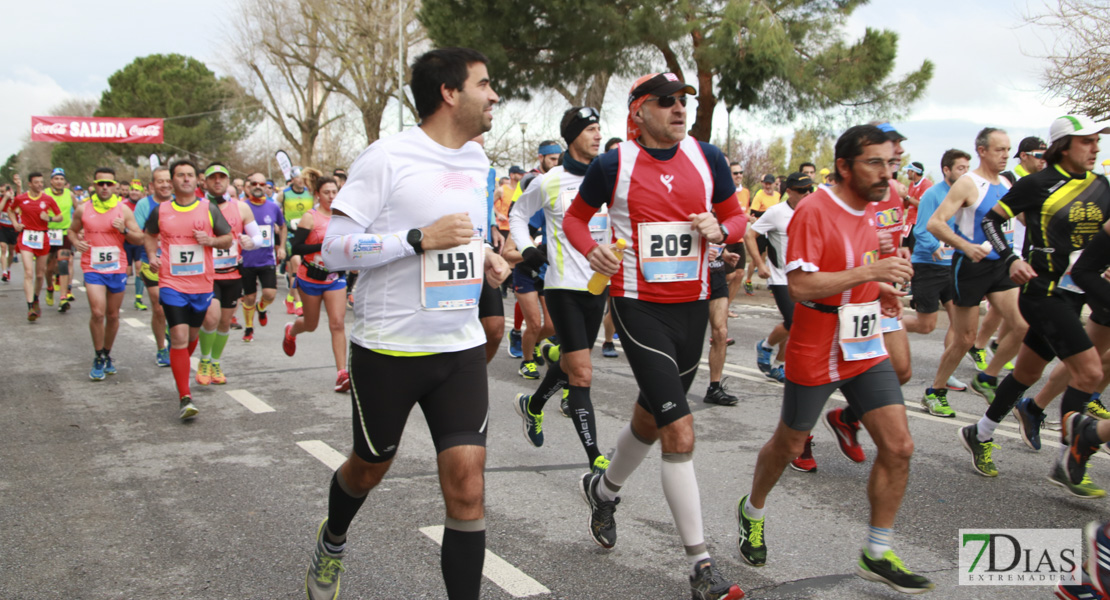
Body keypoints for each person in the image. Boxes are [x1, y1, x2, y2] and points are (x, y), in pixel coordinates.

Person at [301, 47, 509, 600]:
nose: (494, 95)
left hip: (459, 346)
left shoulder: (477, 162)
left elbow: (466, 232)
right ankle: (334, 537)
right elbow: (335, 249)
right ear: (449, 92)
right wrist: (416, 239)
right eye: (485, 84)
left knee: (468, 489)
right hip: (389, 349)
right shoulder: (387, 156)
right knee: (369, 468)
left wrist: (485, 253)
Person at [564, 71, 748, 600]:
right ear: (639, 111)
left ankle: (603, 489)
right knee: (679, 430)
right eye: (666, 102)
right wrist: (590, 249)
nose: (678, 109)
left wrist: (722, 230)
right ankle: (700, 566)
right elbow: (577, 221)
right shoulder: (612, 165)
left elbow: (736, 218)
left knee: (650, 418)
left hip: (691, 307)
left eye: (683, 101)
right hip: (638, 307)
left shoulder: (707, 158)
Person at [735, 124, 933, 594]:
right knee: (788, 445)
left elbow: (862, 265)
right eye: (875, 164)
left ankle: (877, 551)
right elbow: (801, 287)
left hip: (863, 343)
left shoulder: (879, 206)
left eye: (891, 163)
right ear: (845, 167)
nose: (887, 173)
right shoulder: (814, 210)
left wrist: (879, 287)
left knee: (900, 446)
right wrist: (871, 271)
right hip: (817, 341)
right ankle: (753, 508)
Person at [960, 115, 1110, 496]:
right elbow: (992, 222)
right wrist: (1011, 258)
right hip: (1043, 292)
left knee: (1026, 373)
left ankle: (980, 432)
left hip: (1077, 291)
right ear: (1063, 146)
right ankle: (1068, 458)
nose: (1095, 148)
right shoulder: (1037, 184)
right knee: (1090, 374)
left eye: (1097, 141)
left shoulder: (1102, 186)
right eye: (1087, 141)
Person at [509, 105, 612, 471]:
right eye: (591, 129)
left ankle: (532, 406)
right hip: (562, 287)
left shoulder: (612, 176)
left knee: (570, 361)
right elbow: (517, 216)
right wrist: (527, 250)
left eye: (600, 128)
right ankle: (596, 461)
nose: (598, 135)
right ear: (573, 137)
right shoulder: (550, 180)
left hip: (598, 286)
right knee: (582, 373)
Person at [924, 128, 1028, 410]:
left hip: (999, 266)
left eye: (1008, 149)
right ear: (982, 151)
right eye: (999, 150)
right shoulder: (968, 183)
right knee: (966, 338)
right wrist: (966, 246)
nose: (1006, 155)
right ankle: (935, 391)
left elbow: (1023, 218)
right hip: (970, 267)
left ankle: (987, 377)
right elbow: (935, 223)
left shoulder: (1007, 183)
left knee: (1021, 326)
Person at [143, 159, 234, 421]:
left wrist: (211, 240)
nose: (185, 179)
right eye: (180, 175)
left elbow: (228, 238)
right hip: (171, 283)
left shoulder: (209, 208)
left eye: (190, 175)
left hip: (202, 284)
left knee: (191, 338)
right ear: (171, 181)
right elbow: (149, 235)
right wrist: (152, 254)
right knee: (180, 336)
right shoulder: (160, 211)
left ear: (198, 181)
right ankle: (185, 397)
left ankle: (180, 359)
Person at [904, 149, 974, 414]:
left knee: (960, 324)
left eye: (968, 168)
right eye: (960, 168)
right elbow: (921, 229)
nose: (965, 173)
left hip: (953, 265)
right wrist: (935, 246)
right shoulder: (933, 194)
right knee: (926, 325)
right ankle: (887, 327)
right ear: (946, 170)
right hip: (928, 265)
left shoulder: (966, 193)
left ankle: (946, 374)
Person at [68, 171, 144, 379]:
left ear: (115, 187)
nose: (104, 187)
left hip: (116, 267)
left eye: (108, 184)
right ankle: (98, 355)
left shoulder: (124, 211)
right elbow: (71, 231)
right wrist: (76, 242)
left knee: (112, 314)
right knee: (98, 312)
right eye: (100, 183)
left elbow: (140, 238)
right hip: (92, 267)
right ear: (95, 185)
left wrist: (124, 231)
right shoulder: (84, 209)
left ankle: (107, 353)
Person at [282, 168, 351, 392]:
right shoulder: (310, 217)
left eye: (334, 191)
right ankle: (291, 331)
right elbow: (297, 247)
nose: (332, 196)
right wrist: (323, 246)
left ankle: (342, 373)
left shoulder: (343, 216)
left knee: (337, 323)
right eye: (327, 192)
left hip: (334, 277)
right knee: (311, 325)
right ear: (317, 195)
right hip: (311, 276)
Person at [195, 163, 262, 387]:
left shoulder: (241, 208)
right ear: (204, 182)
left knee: (224, 322)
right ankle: (204, 361)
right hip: (207, 274)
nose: (217, 181)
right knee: (211, 318)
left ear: (228, 181)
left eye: (221, 177)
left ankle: (215, 362)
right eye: (212, 178)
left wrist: (249, 242)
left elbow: (258, 238)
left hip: (232, 273)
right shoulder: (198, 206)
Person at [746, 172, 810, 389]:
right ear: (789, 192)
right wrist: (760, 264)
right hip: (781, 276)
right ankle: (766, 346)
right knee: (794, 322)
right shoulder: (776, 212)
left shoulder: (813, 211)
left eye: (810, 189)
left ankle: (779, 365)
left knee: (797, 324)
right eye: (802, 190)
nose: (807, 194)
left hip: (806, 277)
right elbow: (749, 236)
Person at [509, 141, 561, 379]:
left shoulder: (546, 214)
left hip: (544, 273)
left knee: (550, 326)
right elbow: (507, 253)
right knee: (535, 323)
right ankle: (527, 360)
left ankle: (531, 344)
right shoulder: (521, 220)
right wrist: (529, 252)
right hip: (524, 274)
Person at [133, 167, 174, 366]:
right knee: (158, 307)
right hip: (151, 261)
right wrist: (154, 239)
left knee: (177, 307)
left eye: (168, 181)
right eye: (160, 181)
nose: (165, 185)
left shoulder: (181, 203)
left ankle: (172, 332)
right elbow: (136, 233)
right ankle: (161, 348)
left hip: (179, 263)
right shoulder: (144, 204)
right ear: (152, 186)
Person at [239, 172, 287, 343]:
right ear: (248, 186)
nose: (258, 187)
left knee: (269, 294)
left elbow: (283, 226)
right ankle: (249, 328)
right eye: (254, 184)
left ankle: (261, 308)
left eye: (261, 184)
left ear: (266, 187)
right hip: (247, 259)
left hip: (267, 258)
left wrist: (281, 247)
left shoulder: (273, 207)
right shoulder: (241, 206)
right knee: (249, 297)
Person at [8, 172, 61, 321]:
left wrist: (49, 218)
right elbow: (10, 210)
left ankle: (36, 298)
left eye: (41, 182)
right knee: (29, 273)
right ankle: (30, 306)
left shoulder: (48, 199)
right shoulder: (21, 198)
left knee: (39, 274)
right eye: (36, 182)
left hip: (42, 237)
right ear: (30, 184)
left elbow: (60, 216)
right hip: (25, 237)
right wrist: (15, 224)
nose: (39, 185)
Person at [279, 167, 314, 316]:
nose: (300, 180)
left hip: (307, 235)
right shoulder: (284, 194)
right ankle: (299, 303)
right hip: (291, 236)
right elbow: (276, 211)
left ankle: (289, 298)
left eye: (302, 177)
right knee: (297, 265)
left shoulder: (310, 193)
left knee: (300, 271)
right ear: (292, 179)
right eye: (297, 177)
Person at [43, 168, 76, 312]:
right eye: (56, 178)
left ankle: (63, 298)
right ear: (51, 181)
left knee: (63, 263)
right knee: (48, 267)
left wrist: (80, 228)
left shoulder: (70, 194)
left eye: (61, 179)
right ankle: (50, 287)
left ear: (65, 182)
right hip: (48, 233)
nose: (59, 181)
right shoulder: (45, 194)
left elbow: (79, 211)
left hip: (64, 233)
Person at [743, 174, 781, 295]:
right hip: (760, 230)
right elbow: (754, 212)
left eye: (770, 183)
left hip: (773, 231)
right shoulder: (759, 196)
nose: (768, 186)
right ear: (763, 183)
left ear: (775, 184)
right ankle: (748, 280)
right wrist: (771, 214)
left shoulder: (778, 196)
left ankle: (773, 284)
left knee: (771, 257)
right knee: (757, 257)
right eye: (766, 183)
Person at [123, 181, 149, 310]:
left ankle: (138, 298)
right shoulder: (122, 205)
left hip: (140, 241)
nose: (134, 192)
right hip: (126, 242)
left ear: (142, 193)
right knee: (127, 271)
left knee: (139, 268)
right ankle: (114, 297)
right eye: (132, 190)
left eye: (137, 190)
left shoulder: (144, 204)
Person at [0, 184, 16, 282]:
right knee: (3, 248)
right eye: (0, 192)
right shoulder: (2, 199)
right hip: (2, 228)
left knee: (11, 251)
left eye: (3, 191)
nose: (1, 193)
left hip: (13, 229)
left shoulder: (14, 200)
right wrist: (5, 198)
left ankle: (9, 269)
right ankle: (4, 272)